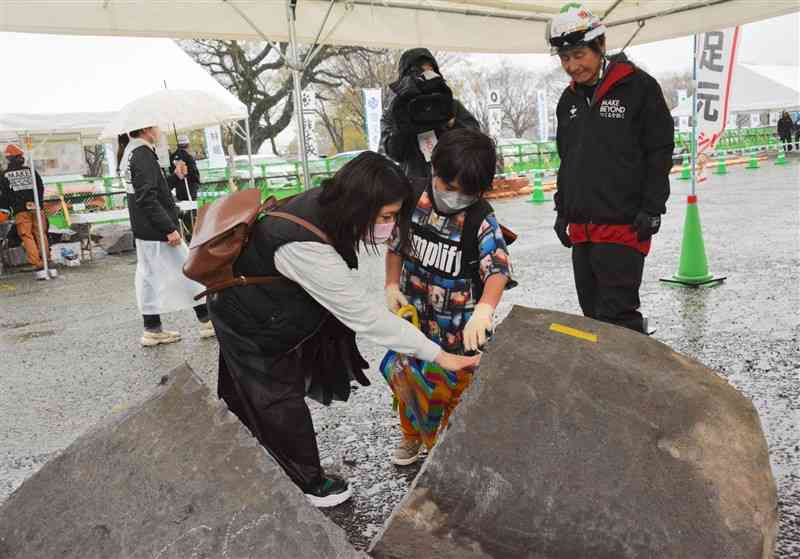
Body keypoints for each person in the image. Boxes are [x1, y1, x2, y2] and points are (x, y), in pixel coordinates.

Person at [207, 151, 480, 508]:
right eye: (386, 216)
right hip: (249, 318)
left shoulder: (329, 202)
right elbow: (363, 316)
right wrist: (439, 355)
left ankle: (238, 448)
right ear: (360, 204)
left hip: (264, 306)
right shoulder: (302, 245)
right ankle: (305, 482)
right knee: (275, 395)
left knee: (246, 389)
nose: (390, 224)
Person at [381, 128, 515, 465]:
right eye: (446, 185)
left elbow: (497, 269)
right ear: (433, 170)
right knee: (410, 383)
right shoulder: (412, 200)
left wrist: (485, 310)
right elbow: (396, 247)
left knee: (456, 391)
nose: (453, 196)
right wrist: (391, 285)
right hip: (414, 319)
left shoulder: (480, 219)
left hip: (460, 329)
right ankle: (411, 437)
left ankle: (454, 445)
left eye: (464, 192)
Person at [549, 4, 674, 334]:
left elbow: (659, 152)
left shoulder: (638, 87)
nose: (573, 66)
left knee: (617, 317)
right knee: (591, 314)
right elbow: (568, 161)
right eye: (565, 59)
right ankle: (605, 383)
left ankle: (634, 382)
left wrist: (652, 208)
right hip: (582, 229)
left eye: (579, 55)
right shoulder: (568, 101)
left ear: (600, 46)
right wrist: (563, 211)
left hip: (623, 226)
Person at [117, 128, 214, 347]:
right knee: (189, 270)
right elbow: (147, 197)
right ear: (146, 129)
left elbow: (152, 189)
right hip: (157, 229)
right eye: (156, 126)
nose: (159, 131)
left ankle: (152, 328)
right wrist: (168, 227)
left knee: (149, 277)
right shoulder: (142, 154)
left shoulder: (132, 153)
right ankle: (207, 320)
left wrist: (174, 177)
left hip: (144, 229)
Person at [380, 48, 480, 181]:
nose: (427, 78)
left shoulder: (451, 106)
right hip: (415, 185)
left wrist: (452, 124)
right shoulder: (396, 111)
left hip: (451, 180)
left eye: (430, 72)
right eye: (420, 73)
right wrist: (403, 126)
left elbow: (475, 140)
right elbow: (394, 153)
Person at [0, 144, 54, 280]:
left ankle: (37, 263)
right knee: (41, 234)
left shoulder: (4, 175)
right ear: (21, 158)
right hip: (36, 207)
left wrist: (10, 209)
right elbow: (40, 187)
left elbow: (5, 196)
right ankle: (47, 259)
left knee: (27, 235)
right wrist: (38, 204)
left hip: (20, 210)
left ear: (9, 159)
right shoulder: (31, 171)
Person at [169, 134, 200, 238]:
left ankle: (185, 231)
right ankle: (193, 233)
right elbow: (194, 174)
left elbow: (171, 173)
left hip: (179, 188)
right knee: (191, 210)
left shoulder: (172, 156)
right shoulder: (188, 157)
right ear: (187, 144)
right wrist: (197, 182)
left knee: (182, 209)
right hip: (190, 188)